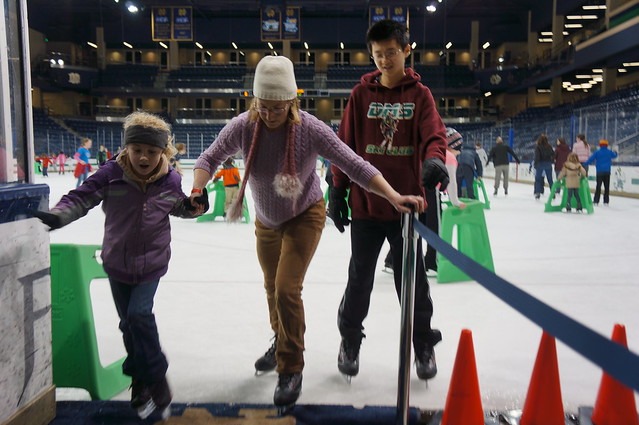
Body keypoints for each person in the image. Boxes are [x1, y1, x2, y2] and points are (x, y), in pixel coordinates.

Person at [190, 55, 424, 411]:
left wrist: (392, 196)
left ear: (292, 102)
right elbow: (208, 158)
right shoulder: (243, 125)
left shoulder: (311, 129)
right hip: (266, 220)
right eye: (262, 107)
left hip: (304, 215)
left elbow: (355, 164)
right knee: (272, 289)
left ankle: (291, 367)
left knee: (286, 288)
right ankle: (281, 337)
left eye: (276, 108)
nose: (268, 115)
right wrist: (197, 190)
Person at [31, 111, 208, 420]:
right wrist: (60, 215)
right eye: (137, 150)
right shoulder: (110, 174)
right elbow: (81, 197)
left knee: (139, 315)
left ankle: (155, 377)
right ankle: (139, 380)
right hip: (117, 262)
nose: (143, 157)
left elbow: (176, 205)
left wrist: (192, 208)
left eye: (151, 152)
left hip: (151, 262)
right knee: (128, 324)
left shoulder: (171, 179)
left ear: (163, 152)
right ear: (126, 148)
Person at [328, 19, 448, 384]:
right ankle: (350, 340)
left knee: (412, 284)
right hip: (366, 208)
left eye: (391, 53)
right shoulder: (360, 95)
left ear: (406, 50)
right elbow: (343, 146)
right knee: (359, 279)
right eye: (378, 54)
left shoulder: (420, 95)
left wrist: (434, 159)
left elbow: (433, 135)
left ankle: (423, 344)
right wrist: (337, 189)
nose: (384, 60)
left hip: (407, 208)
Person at [585, 139, 618, 205]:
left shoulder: (597, 152)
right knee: (606, 187)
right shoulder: (609, 152)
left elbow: (591, 159)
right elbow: (614, 156)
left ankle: (596, 200)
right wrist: (615, 152)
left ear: (600, 145)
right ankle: (606, 201)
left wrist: (584, 164)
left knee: (598, 186)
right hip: (607, 171)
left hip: (599, 171)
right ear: (606, 145)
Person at [456, 134, 483, 200]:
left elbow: (455, 160)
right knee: (469, 184)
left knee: (458, 183)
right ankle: (471, 198)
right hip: (468, 166)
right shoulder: (474, 152)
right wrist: (479, 174)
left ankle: (458, 197)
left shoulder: (460, 151)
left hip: (459, 165)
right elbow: (479, 164)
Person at [533, 134, 554, 199]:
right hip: (548, 163)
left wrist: (535, 164)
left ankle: (538, 193)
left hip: (540, 163)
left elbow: (537, 156)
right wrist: (551, 160)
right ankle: (553, 193)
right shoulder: (549, 146)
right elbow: (553, 154)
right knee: (550, 179)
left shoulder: (538, 147)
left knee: (538, 179)